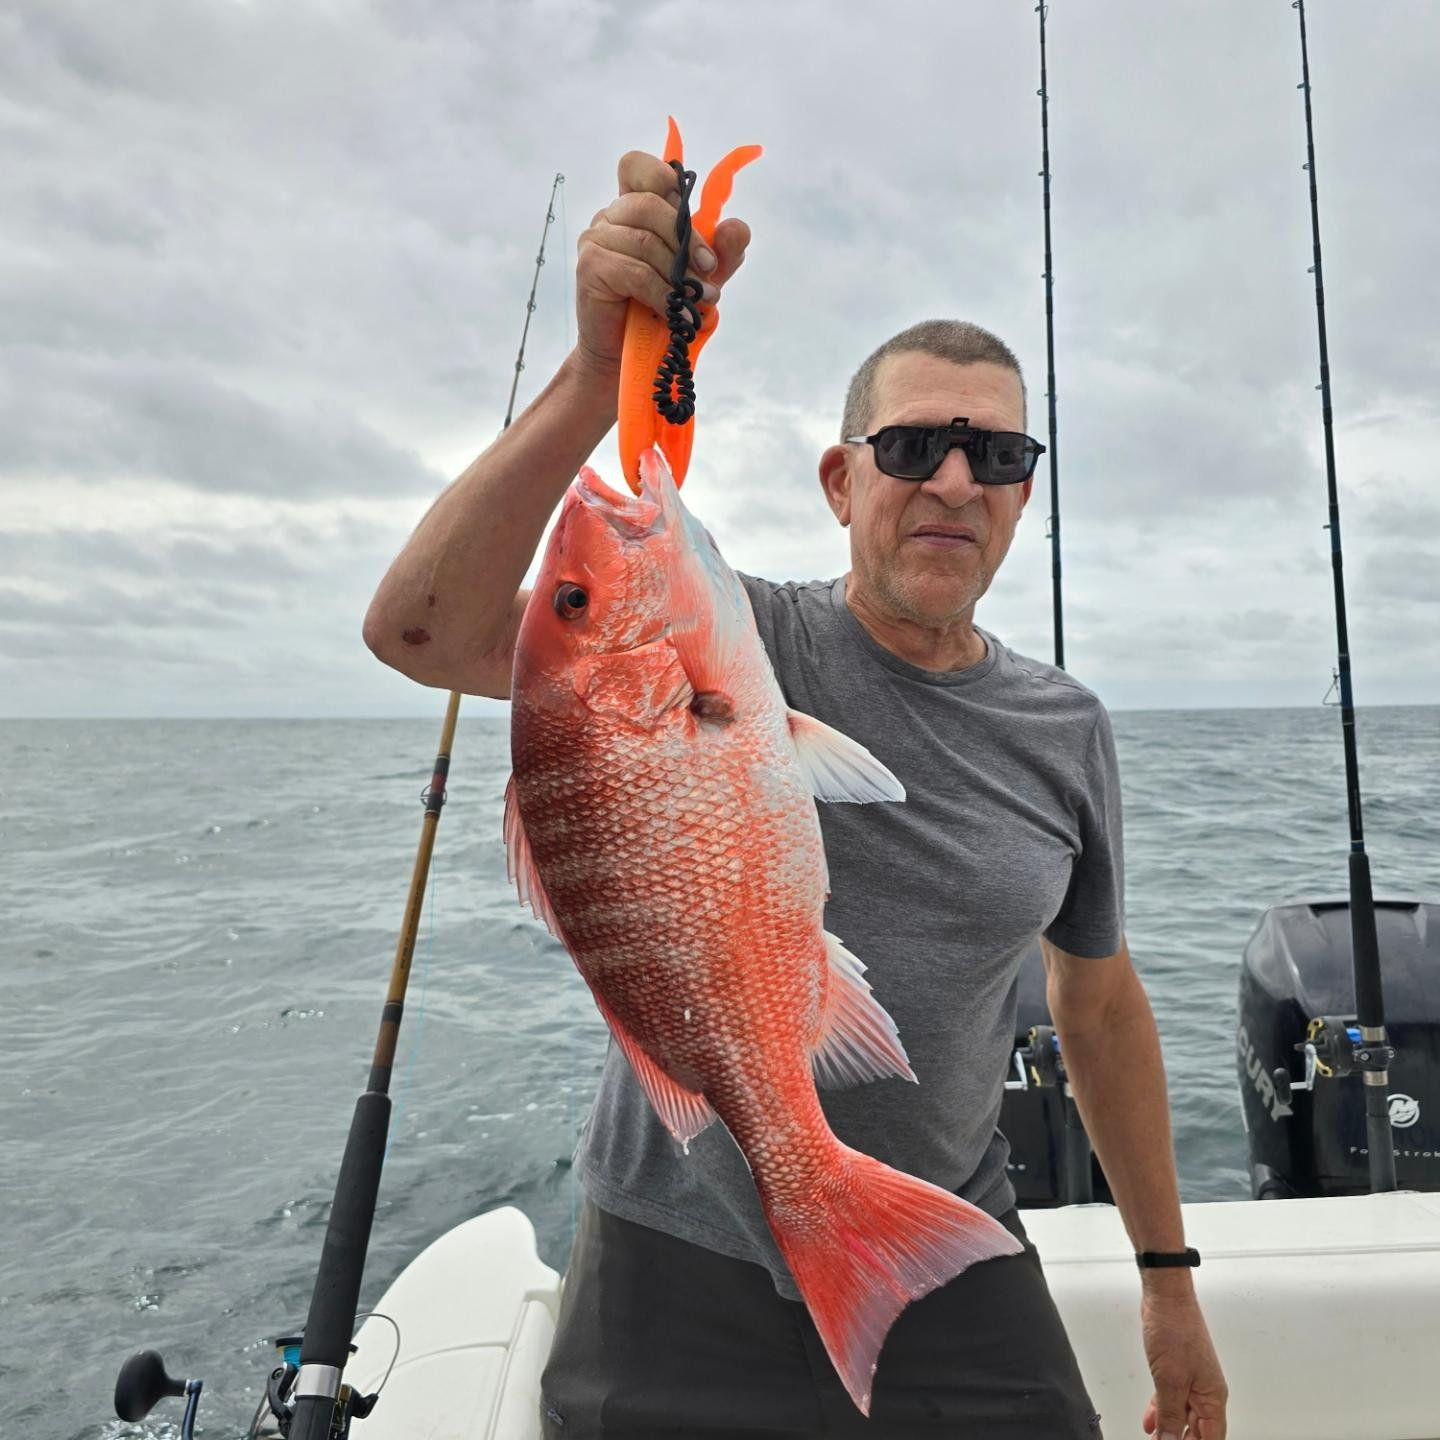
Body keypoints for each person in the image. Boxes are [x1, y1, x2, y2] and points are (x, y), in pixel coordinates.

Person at [364, 150, 1229, 1440]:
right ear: (841, 482)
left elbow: (1095, 1002)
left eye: (995, 451)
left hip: (942, 1230)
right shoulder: (742, 646)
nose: (952, 478)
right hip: (678, 1256)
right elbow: (425, 634)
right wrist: (596, 387)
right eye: (913, 444)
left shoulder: (1065, 729)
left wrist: (1169, 1283)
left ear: (1022, 496)